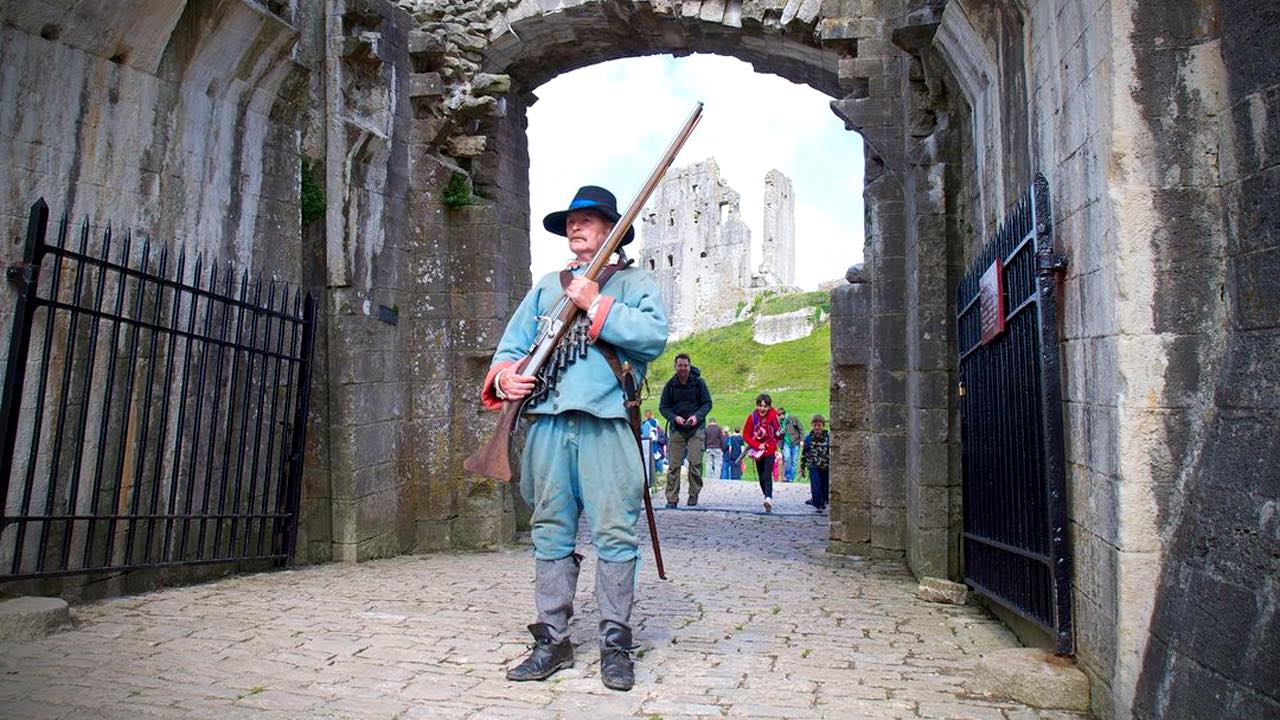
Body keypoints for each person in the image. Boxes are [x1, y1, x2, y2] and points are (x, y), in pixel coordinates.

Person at [480, 185, 668, 691]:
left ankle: (615, 642)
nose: (575, 227)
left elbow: (653, 337)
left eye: (587, 220)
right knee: (550, 532)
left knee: (614, 535)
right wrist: (506, 378)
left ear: (610, 231)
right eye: (571, 221)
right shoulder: (547, 286)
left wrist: (597, 303)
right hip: (546, 425)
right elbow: (512, 348)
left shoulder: (634, 283)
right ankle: (553, 640)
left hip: (607, 425)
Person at [659, 353, 712, 508]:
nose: (683, 368)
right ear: (675, 367)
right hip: (677, 429)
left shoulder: (699, 383)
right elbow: (663, 407)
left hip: (696, 428)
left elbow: (707, 403)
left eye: (685, 365)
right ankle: (672, 498)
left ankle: (694, 493)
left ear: (689, 366)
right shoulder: (670, 385)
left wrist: (697, 417)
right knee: (674, 465)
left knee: (695, 462)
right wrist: (674, 418)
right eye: (680, 365)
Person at [743, 393, 782, 512]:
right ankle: (766, 495)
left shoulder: (774, 417)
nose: (762, 409)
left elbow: (778, 434)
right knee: (761, 477)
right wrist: (757, 445)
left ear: (769, 407)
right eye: (760, 406)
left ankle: (768, 498)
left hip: (769, 449)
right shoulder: (752, 417)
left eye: (765, 406)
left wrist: (780, 435)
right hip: (757, 452)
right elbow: (746, 435)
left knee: (767, 474)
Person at [801, 414, 831, 512]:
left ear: (823, 426)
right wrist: (802, 467)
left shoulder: (828, 438)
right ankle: (817, 504)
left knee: (824, 485)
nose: (817, 428)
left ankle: (823, 501)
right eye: (815, 425)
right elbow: (804, 453)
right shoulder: (808, 438)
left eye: (819, 425)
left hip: (825, 465)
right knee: (815, 484)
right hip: (813, 465)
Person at [779, 406, 804, 482]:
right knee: (787, 458)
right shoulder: (779, 423)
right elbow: (777, 435)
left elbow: (801, 428)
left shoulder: (792, 419)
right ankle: (786, 476)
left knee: (794, 461)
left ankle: (791, 478)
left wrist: (801, 440)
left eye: (779, 415)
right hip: (786, 443)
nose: (778, 417)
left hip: (795, 442)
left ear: (783, 414)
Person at [703, 417, 724, 482]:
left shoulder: (706, 429)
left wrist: (705, 448)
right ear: (715, 422)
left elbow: (704, 440)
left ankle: (708, 478)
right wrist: (722, 448)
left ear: (709, 422)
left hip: (709, 448)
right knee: (717, 464)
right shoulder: (719, 429)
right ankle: (716, 479)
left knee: (709, 463)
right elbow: (721, 439)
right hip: (717, 448)